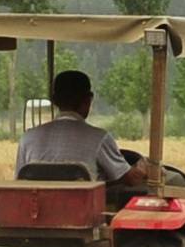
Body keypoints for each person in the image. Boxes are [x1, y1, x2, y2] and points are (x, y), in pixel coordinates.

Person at [17, 68, 151, 185]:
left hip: (37, 213)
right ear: (88, 100)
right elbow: (130, 179)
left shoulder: (27, 139)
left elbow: (19, 184)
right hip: (83, 213)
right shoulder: (99, 138)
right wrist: (143, 165)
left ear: (55, 100)